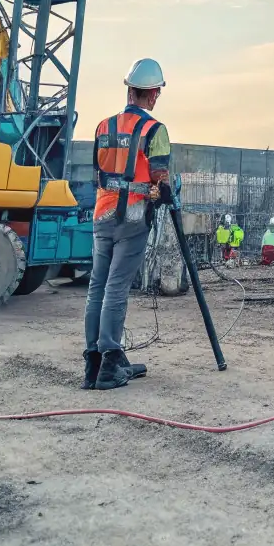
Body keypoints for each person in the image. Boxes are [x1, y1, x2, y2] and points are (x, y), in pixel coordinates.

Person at [81, 58, 172, 391]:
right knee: (116, 288)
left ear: (129, 90)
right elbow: (161, 181)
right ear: (153, 94)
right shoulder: (154, 130)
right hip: (132, 219)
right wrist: (163, 193)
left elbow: (97, 174)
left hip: (102, 216)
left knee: (97, 287)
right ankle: (109, 360)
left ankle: (93, 361)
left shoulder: (103, 126)